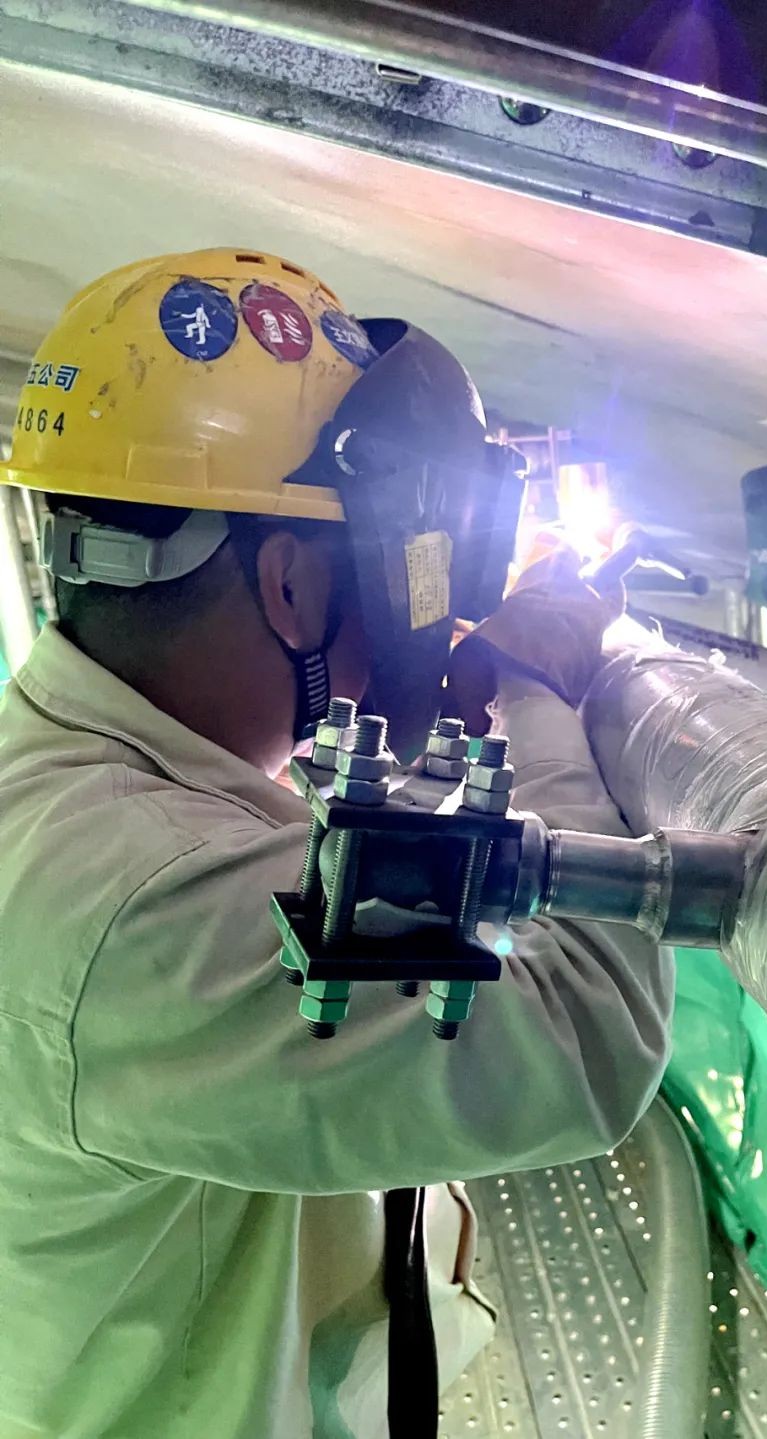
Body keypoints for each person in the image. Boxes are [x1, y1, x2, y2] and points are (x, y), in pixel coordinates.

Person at [0, 249, 673, 1439]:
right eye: (396, 566)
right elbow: (584, 1033)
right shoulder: (140, 899)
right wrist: (535, 690)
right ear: (291, 587)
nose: (418, 613)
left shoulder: (87, 784)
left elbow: (339, 853)